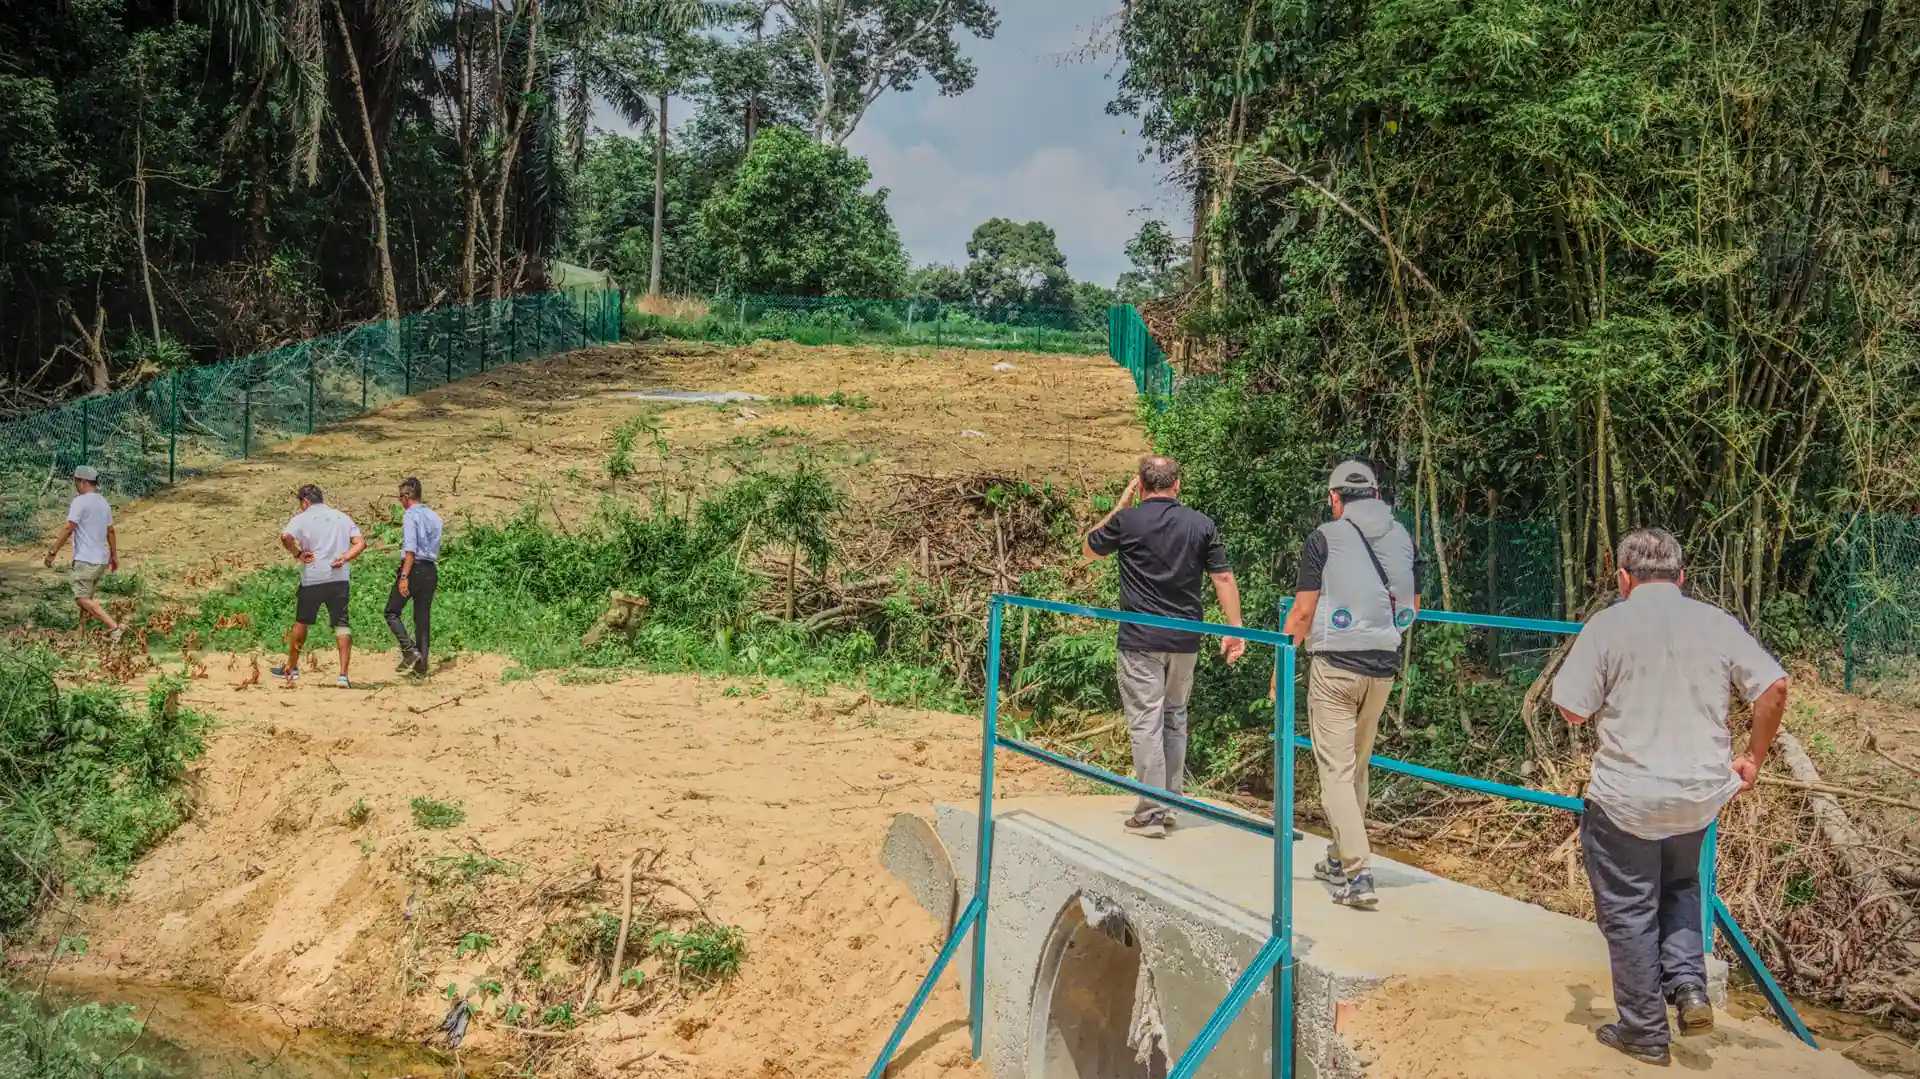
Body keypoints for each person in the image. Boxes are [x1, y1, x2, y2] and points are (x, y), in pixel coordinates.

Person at [1552, 528, 1787, 1066]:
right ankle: (1689, 988)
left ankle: (1643, 1032)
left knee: (1630, 909)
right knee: (1681, 885)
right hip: (1698, 797)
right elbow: (1775, 687)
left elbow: (1571, 709)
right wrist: (1753, 757)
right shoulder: (1715, 623)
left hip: (1627, 799)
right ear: (1681, 577)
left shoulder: (1609, 624)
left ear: (1622, 578)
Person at [1280, 459, 1418, 911]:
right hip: (1383, 668)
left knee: (1335, 772)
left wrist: (1280, 665)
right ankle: (1340, 857)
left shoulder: (1325, 537)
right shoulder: (1403, 537)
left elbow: (1301, 611)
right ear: (1377, 495)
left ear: (1334, 498)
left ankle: (1358, 873)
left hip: (1336, 667)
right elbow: (1412, 604)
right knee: (1357, 765)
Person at [1084, 455, 1246, 839]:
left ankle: (1152, 812)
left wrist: (1122, 503)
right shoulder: (1201, 523)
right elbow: (1223, 577)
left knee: (1146, 721)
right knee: (1175, 717)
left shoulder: (1128, 520)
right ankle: (1169, 803)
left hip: (1141, 640)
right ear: (1177, 485)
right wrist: (1234, 628)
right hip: (1185, 640)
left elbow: (1089, 549)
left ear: (1141, 485)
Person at [273, 484, 366, 688]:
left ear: (305, 501)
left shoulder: (302, 518)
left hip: (314, 577)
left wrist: (297, 554)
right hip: (339, 578)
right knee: (341, 623)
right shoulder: (341, 517)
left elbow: (285, 537)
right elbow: (360, 542)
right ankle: (343, 675)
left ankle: (292, 667)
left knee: (302, 622)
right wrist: (345, 558)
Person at [42, 465, 122, 642]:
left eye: (76, 481)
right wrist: (114, 556)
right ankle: (81, 632)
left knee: (81, 598)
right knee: (88, 597)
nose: (75, 485)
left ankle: (114, 627)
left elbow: (69, 527)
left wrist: (52, 551)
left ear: (84, 482)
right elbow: (111, 531)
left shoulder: (80, 502)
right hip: (101, 559)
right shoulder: (103, 503)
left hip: (86, 559)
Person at [385, 476, 442, 677]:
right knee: (422, 618)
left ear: (408, 496)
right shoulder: (435, 516)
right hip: (430, 570)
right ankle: (421, 668)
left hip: (413, 567)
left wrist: (403, 577)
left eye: (400, 497)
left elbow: (410, 549)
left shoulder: (410, 515)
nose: (400, 501)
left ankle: (409, 650)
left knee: (391, 612)